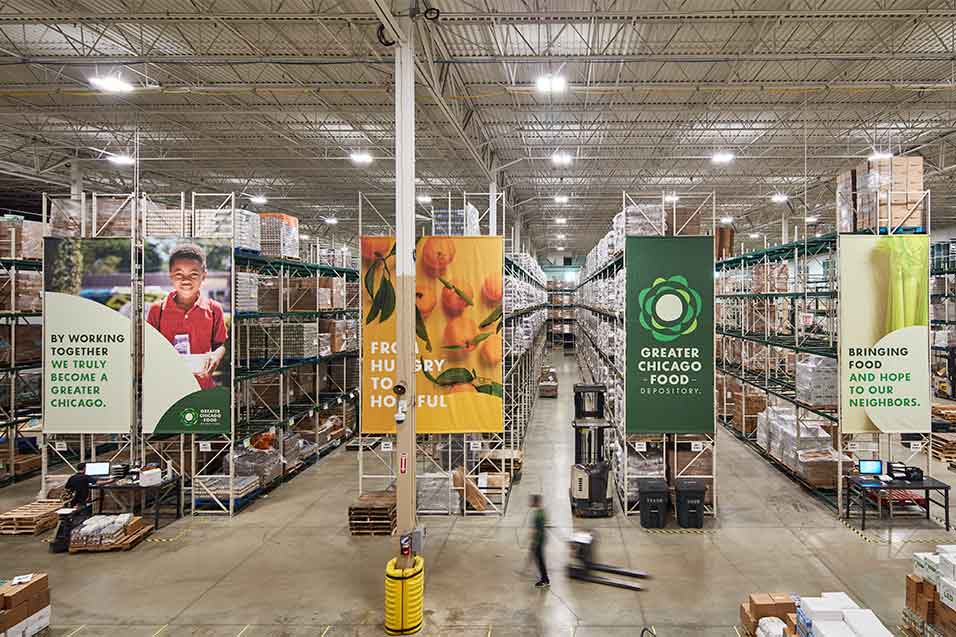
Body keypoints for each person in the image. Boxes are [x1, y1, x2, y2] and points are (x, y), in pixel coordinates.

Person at [146, 243, 228, 389]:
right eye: (179, 274)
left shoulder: (214, 309)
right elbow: (150, 350)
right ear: (170, 275)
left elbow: (220, 345)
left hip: (202, 387)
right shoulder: (157, 310)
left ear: (204, 275)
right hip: (167, 387)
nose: (186, 280)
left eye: (193, 274)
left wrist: (216, 356)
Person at [530, 494, 549, 588]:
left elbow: (538, 530)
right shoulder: (541, 512)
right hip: (541, 539)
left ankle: (544, 579)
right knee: (540, 560)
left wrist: (535, 541)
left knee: (540, 561)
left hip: (539, 540)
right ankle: (545, 578)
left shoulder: (538, 515)